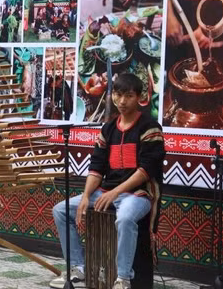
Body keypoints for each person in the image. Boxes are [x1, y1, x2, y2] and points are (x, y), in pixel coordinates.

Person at [49, 73, 165, 289]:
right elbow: (96, 168)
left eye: (128, 96)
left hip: (138, 194)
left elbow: (146, 171)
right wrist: (85, 197)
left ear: (139, 97)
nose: (122, 101)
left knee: (125, 217)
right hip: (106, 192)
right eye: (119, 95)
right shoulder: (108, 129)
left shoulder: (150, 127)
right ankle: (78, 268)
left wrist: (114, 193)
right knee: (61, 210)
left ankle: (123, 278)